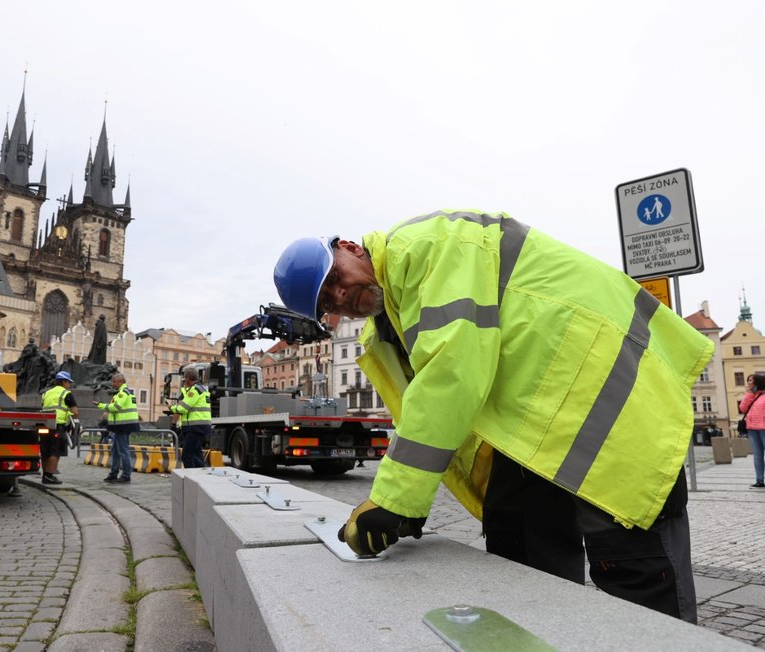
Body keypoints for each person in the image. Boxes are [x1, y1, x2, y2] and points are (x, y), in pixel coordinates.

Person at [273, 209, 714, 623]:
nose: (340, 296)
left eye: (334, 279)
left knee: (635, 574)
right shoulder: (391, 320)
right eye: (328, 303)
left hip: (615, 404)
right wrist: (413, 496)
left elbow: (452, 374)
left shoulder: (425, 248)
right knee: (519, 563)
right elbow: (436, 409)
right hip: (536, 423)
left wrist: (396, 499)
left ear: (350, 247)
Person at [94, 372, 138, 483]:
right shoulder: (121, 392)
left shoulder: (123, 393)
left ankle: (126, 475)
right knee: (115, 451)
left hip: (123, 426)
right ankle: (113, 473)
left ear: (121, 382)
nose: (112, 383)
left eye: (114, 381)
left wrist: (101, 405)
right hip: (120, 425)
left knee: (123, 451)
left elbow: (116, 407)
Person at [40, 371, 79, 485]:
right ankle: (49, 476)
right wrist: (70, 418)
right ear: (64, 382)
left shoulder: (46, 393)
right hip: (58, 426)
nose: (70, 385)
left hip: (45, 426)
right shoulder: (66, 393)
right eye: (69, 382)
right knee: (55, 452)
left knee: (45, 452)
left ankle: (44, 475)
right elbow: (75, 412)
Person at [170, 366, 211, 468]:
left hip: (195, 427)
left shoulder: (194, 390)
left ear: (187, 377)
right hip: (198, 426)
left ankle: (192, 480)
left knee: (187, 455)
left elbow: (183, 408)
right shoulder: (200, 389)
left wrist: (172, 408)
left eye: (185, 378)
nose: (184, 380)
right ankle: (201, 477)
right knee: (196, 455)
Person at [739, 373, 765, 488]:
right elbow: (743, 408)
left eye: (751, 380)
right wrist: (749, 393)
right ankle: (759, 480)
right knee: (757, 455)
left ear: (758, 382)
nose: (749, 382)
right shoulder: (751, 396)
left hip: (764, 428)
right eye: (748, 380)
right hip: (752, 429)